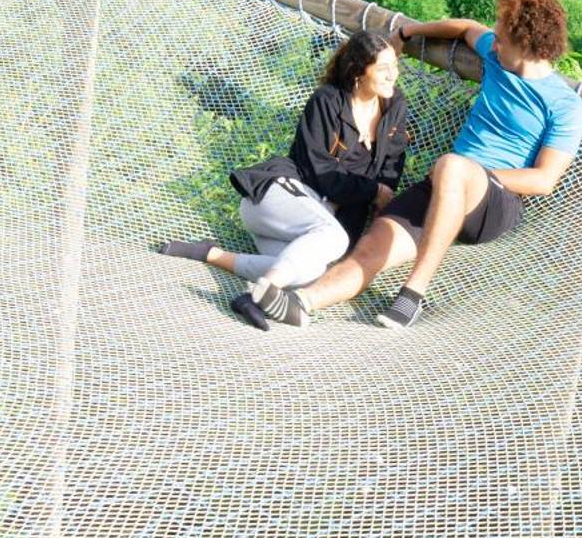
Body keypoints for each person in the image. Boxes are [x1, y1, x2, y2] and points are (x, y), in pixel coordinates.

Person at [242, 0, 582, 331]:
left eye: (502, 41)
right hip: (444, 188)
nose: (493, 45)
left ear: (527, 45)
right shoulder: (497, 61)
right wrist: (406, 32)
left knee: (452, 165)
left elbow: (545, 180)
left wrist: (470, 174)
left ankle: (414, 293)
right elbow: (466, 28)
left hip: (495, 201)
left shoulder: (565, 105)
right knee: (370, 247)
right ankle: (302, 303)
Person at [157, 29, 410, 328]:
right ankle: (257, 295)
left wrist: (382, 194)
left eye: (394, 66)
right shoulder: (326, 102)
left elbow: (392, 165)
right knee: (334, 238)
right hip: (274, 199)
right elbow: (323, 175)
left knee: (315, 274)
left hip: (307, 226)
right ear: (358, 71)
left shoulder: (395, 106)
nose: (392, 75)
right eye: (383, 68)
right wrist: (374, 190)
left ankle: (209, 253)